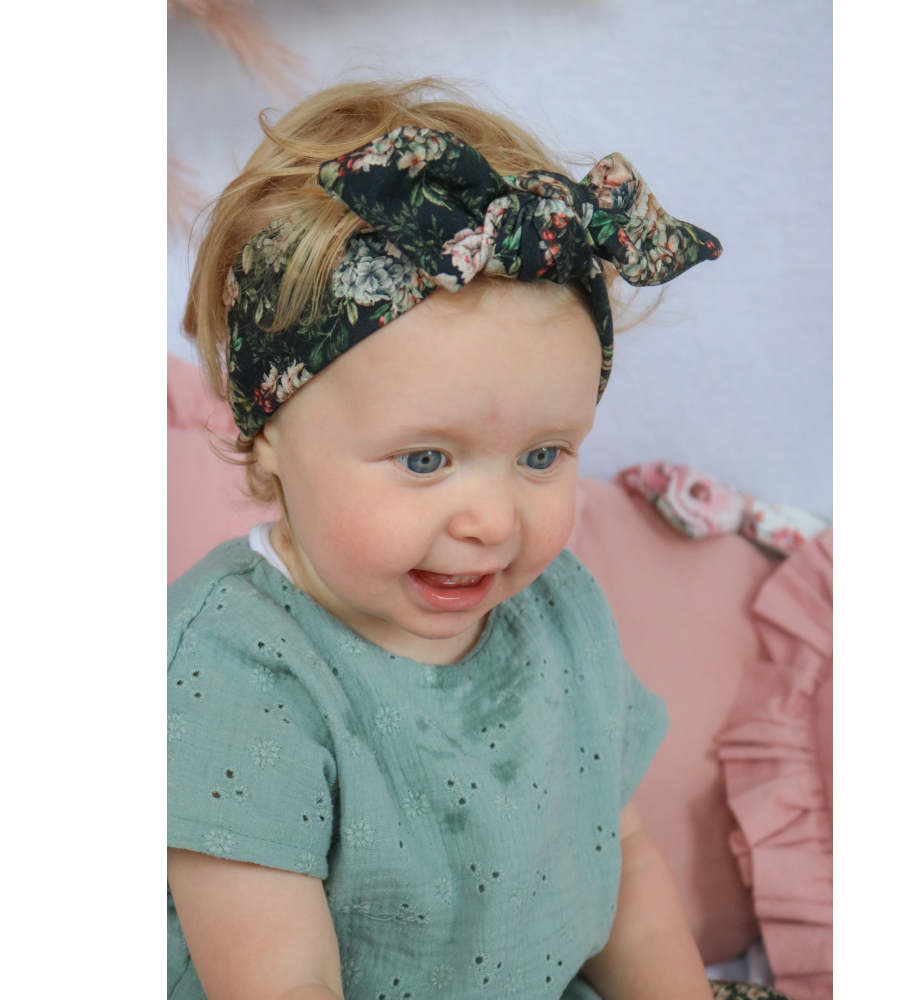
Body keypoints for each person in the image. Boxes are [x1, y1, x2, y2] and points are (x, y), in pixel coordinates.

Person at [168, 78, 780, 1000]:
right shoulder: (231, 672)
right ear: (268, 435)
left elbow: (622, 860)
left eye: (542, 455)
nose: (493, 522)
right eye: (424, 460)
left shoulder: (557, 609)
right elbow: (283, 984)